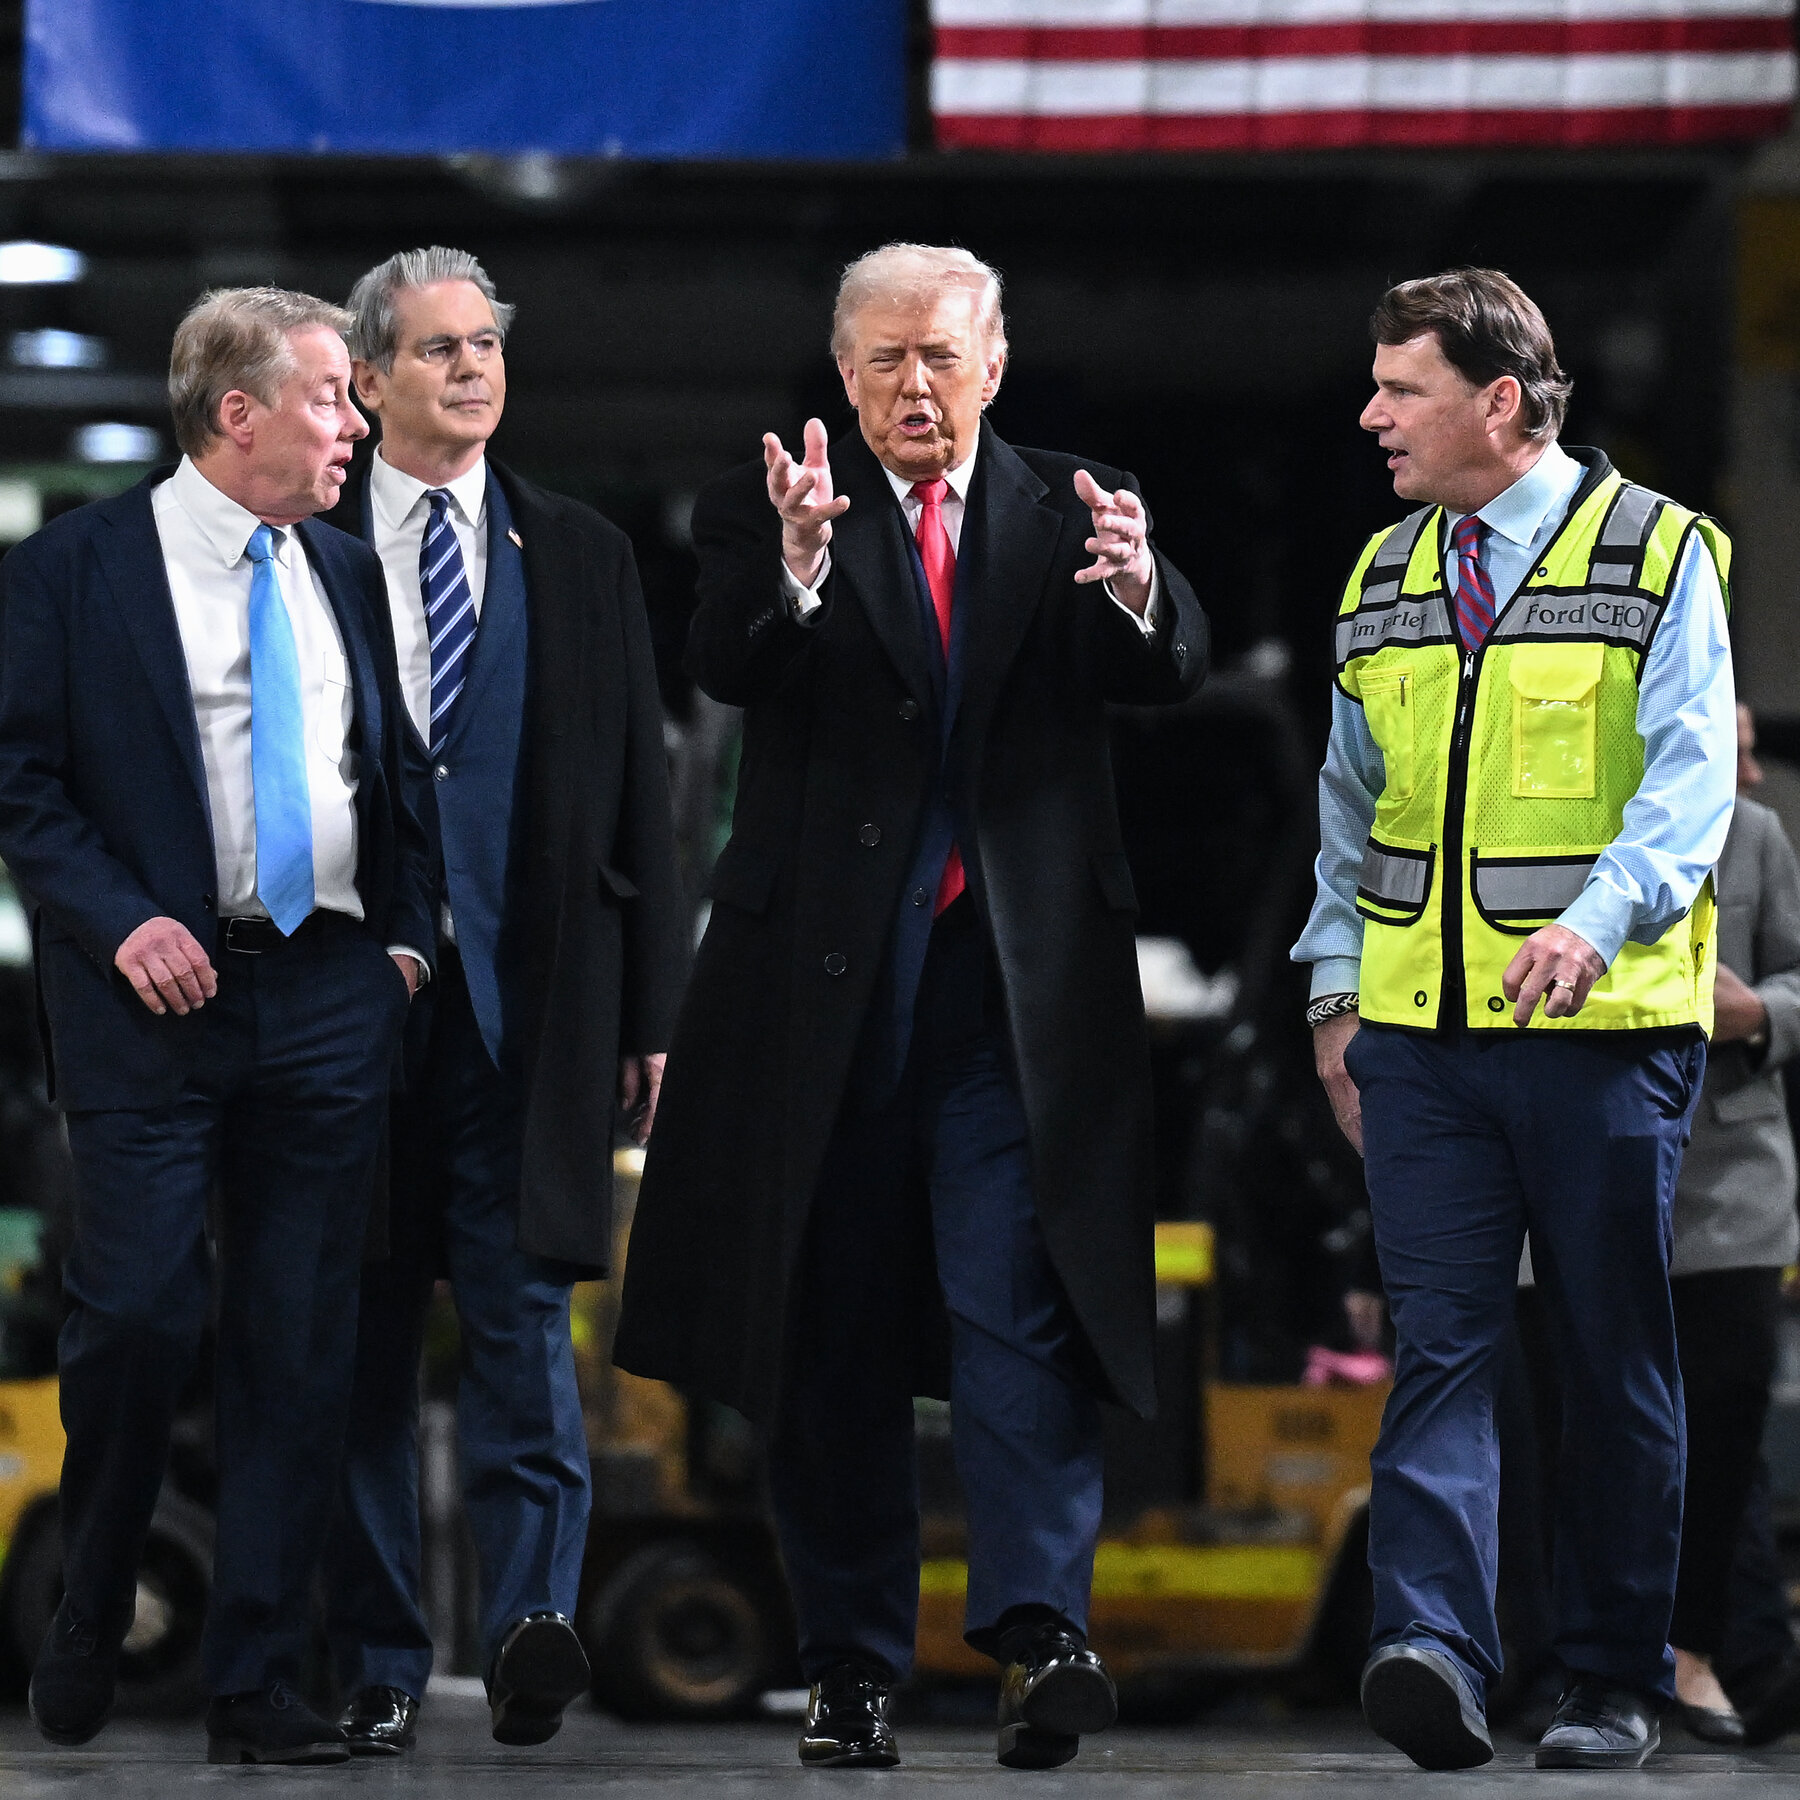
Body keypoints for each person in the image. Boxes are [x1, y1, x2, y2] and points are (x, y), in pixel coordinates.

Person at [614, 243, 1207, 1771]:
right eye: (880, 360)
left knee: (1025, 1319)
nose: (911, 387)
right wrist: (802, 573)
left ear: (994, 365)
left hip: (1008, 1006)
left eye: (939, 356)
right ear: (843, 374)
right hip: (815, 1006)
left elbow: (1163, 668)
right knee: (834, 1340)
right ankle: (850, 1667)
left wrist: (1142, 589)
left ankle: (1038, 1636)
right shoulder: (768, 503)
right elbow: (728, 656)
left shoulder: (1073, 505)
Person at [1294, 268, 1735, 1772]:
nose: (1371, 416)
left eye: (1398, 387)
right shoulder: (1383, 575)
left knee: (1613, 1356)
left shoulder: (1662, 554)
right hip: (1419, 1036)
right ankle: (1435, 1647)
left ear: (1498, 401)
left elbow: (1690, 787)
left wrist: (1595, 923)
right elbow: (1351, 813)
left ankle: (1613, 1674)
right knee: (1443, 1347)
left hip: (1603, 1034)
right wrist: (1334, 987)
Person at [0, 288, 434, 1764]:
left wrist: (407, 948)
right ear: (235, 413)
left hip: (324, 995)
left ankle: (253, 1678)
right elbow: (22, 787)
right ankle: (90, 1594)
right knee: (140, 1315)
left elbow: (392, 774)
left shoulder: (349, 570)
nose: (358, 425)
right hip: (146, 1002)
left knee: (297, 1343)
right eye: (331, 398)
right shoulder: (69, 570)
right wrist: (121, 917)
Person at [320, 247, 685, 1753]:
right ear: (368, 379)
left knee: (527, 1325)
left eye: (485, 346)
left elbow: (638, 802)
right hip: (341, 1019)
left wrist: (653, 1012)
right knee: (355, 1339)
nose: (471, 370)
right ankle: (378, 1661)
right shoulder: (301, 536)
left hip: (532, 1015)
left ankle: (534, 1625)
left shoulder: (583, 552)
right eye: (436, 350)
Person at [1515, 701, 1800, 1746]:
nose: (1755, 777)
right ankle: (1585, 1662)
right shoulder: (1548, 826)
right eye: (1737, 756)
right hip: (1581, 1165)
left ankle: (1690, 1655)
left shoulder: (1757, 840)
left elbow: (1798, 981)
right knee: (1582, 1428)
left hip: (1729, 1185)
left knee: (1722, 1428)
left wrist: (1758, 1014)